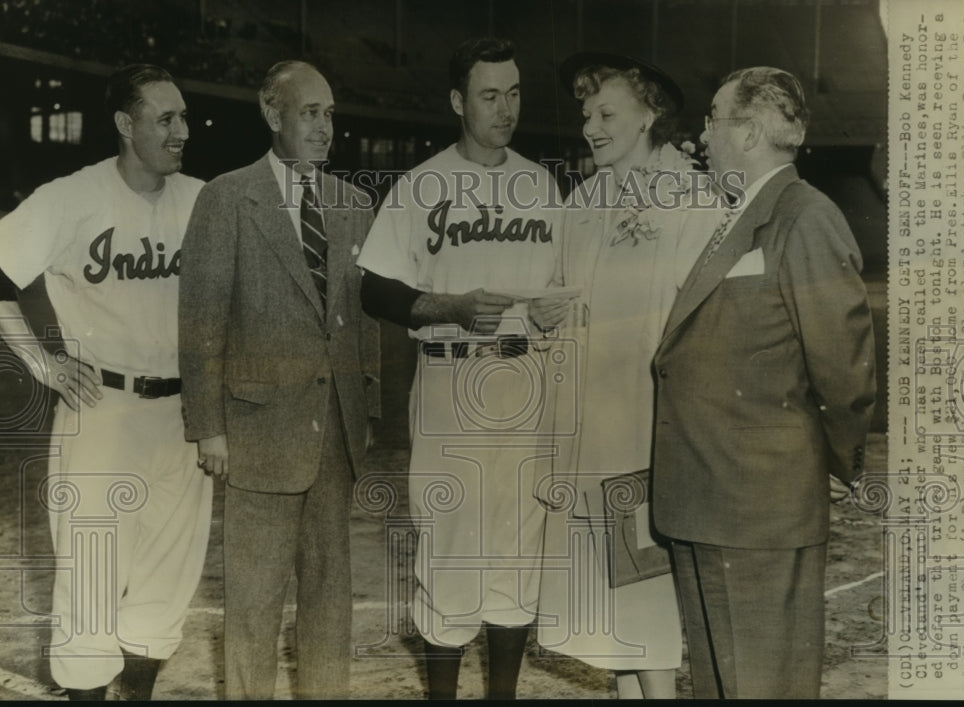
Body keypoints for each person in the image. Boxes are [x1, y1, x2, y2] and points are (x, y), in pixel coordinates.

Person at [650, 66, 877, 698]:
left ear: (747, 133)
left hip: (758, 509)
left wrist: (826, 468)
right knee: (724, 686)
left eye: (712, 121)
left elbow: (844, 367)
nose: (701, 136)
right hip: (708, 500)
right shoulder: (739, 215)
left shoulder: (805, 216)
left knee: (762, 687)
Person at [357, 37, 564, 700]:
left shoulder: (542, 182)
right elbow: (374, 288)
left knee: (519, 544)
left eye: (514, 92)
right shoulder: (422, 184)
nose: (506, 108)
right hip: (450, 373)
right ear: (457, 101)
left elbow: (561, 284)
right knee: (449, 544)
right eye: (489, 94)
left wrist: (553, 314)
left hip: (526, 375)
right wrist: (448, 303)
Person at [0, 64, 211, 701]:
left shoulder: (203, 199)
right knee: (90, 583)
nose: (181, 132)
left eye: (183, 118)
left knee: (168, 578)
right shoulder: (70, 197)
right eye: (165, 119)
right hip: (103, 410)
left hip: (185, 415)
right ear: (125, 124)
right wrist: (42, 363)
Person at [177, 60, 380, 700]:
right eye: (310, 114)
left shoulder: (354, 204)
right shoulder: (227, 198)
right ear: (273, 115)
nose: (325, 128)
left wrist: (366, 410)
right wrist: (208, 426)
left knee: (329, 600)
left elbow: (365, 322)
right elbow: (201, 321)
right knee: (253, 606)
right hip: (257, 434)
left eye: (330, 115)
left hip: (334, 438)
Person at [533, 52, 721, 700]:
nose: (591, 124)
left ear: (649, 114)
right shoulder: (583, 200)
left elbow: (705, 321)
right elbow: (556, 301)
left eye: (607, 112)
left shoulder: (689, 195)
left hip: (652, 425)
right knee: (608, 596)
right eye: (586, 113)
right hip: (588, 426)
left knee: (645, 583)